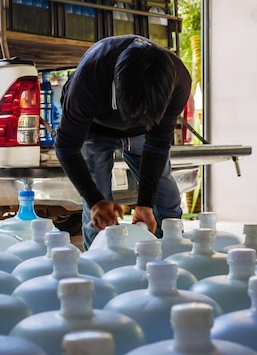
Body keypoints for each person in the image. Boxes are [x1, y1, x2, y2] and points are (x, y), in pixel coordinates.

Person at [55, 34, 192, 250]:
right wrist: (95, 201)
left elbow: (157, 144)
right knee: (98, 216)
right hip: (95, 129)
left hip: (143, 134)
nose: (140, 114)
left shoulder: (179, 82)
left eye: (147, 110)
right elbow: (66, 146)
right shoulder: (90, 77)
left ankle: (171, 259)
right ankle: (97, 265)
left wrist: (145, 204)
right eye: (136, 108)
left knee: (167, 203)